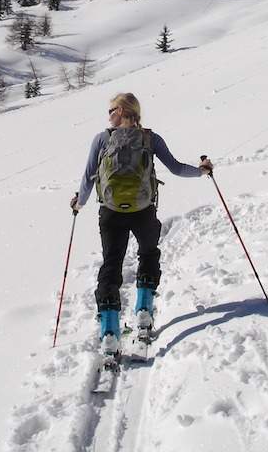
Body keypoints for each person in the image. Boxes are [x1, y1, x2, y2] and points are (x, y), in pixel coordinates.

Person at [71, 92, 212, 349]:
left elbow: (89, 177)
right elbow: (177, 168)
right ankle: (144, 312)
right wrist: (202, 171)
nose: (109, 114)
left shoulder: (102, 139)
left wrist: (79, 203)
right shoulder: (150, 138)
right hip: (143, 210)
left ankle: (110, 333)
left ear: (122, 111)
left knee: (111, 266)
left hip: (111, 212)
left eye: (112, 109)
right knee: (148, 254)